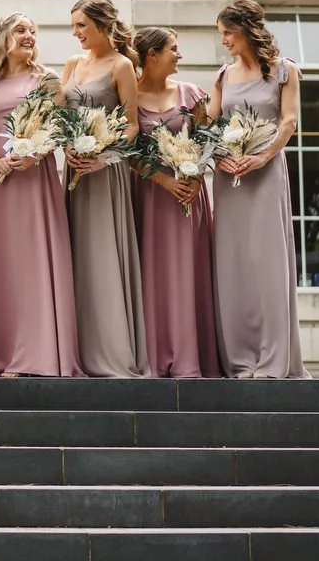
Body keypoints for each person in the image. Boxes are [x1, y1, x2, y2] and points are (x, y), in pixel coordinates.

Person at [0, 13, 82, 378]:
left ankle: (35, 354)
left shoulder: (46, 80)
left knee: (33, 260)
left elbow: (59, 128)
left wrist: (31, 154)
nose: (29, 35)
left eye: (33, 30)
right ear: (2, 37)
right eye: (21, 30)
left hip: (34, 177)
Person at [208, 0, 310, 379]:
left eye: (227, 33)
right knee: (233, 263)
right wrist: (219, 158)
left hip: (265, 173)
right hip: (228, 178)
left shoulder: (285, 72)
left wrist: (261, 158)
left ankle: (272, 359)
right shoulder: (222, 75)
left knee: (266, 261)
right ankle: (239, 359)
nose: (224, 42)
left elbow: (288, 122)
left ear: (246, 30)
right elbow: (209, 124)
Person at [61, 0, 149, 378]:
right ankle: (71, 350)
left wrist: (102, 156)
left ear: (101, 24)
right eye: (74, 26)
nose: (76, 33)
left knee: (102, 254)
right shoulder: (71, 64)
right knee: (72, 255)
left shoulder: (122, 65)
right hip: (73, 174)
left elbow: (132, 125)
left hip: (105, 171)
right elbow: (58, 116)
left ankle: (110, 352)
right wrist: (67, 147)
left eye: (81, 25)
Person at [133, 26, 222, 379]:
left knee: (188, 271)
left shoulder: (190, 94)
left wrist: (196, 177)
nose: (180, 55)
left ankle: (190, 358)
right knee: (151, 272)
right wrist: (165, 181)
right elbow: (128, 152)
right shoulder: (130, 95)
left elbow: (209, 140)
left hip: (188, 195)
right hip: (149, 196)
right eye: (173, 48)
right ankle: (155, 356)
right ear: (151, 55)